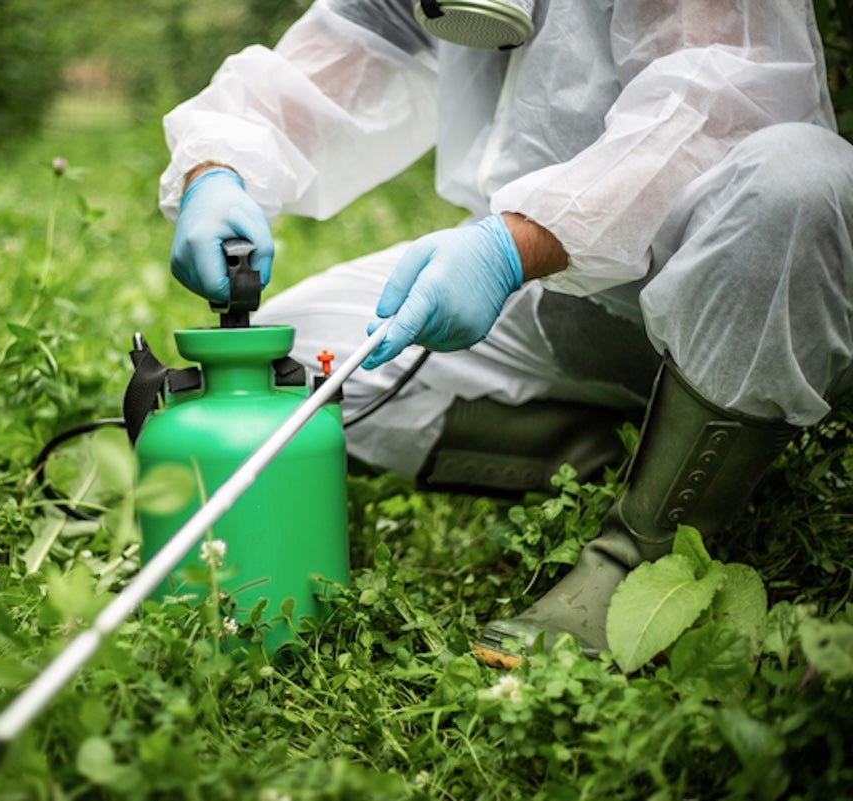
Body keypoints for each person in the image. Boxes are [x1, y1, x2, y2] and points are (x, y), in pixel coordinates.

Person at [157, 0, 853, 667]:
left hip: (731, 281)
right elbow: (314, 70)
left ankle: (642, 552)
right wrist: (216, 172)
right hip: (551, 289)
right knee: (302, 365)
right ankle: (615, 452)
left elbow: (720, 107)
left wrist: (509, 248)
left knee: (797, 180)